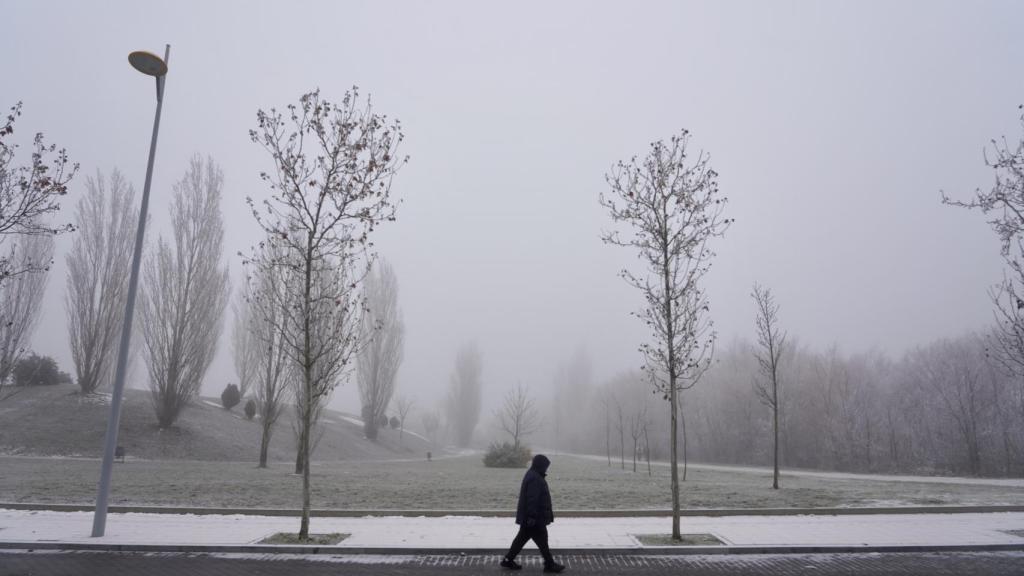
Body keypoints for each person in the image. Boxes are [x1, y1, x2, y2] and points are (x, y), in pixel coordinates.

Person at [501, 454, 565, 573]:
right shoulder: (535, 478)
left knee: (522, 539)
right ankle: (549, 564)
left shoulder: (533, 474)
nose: (546, 469)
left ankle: (508, 559)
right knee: (542, 540)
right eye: (546, 466)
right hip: (534, 518)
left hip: (532, 517)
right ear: (540, 465)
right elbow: (532, 499)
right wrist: (532, 516)